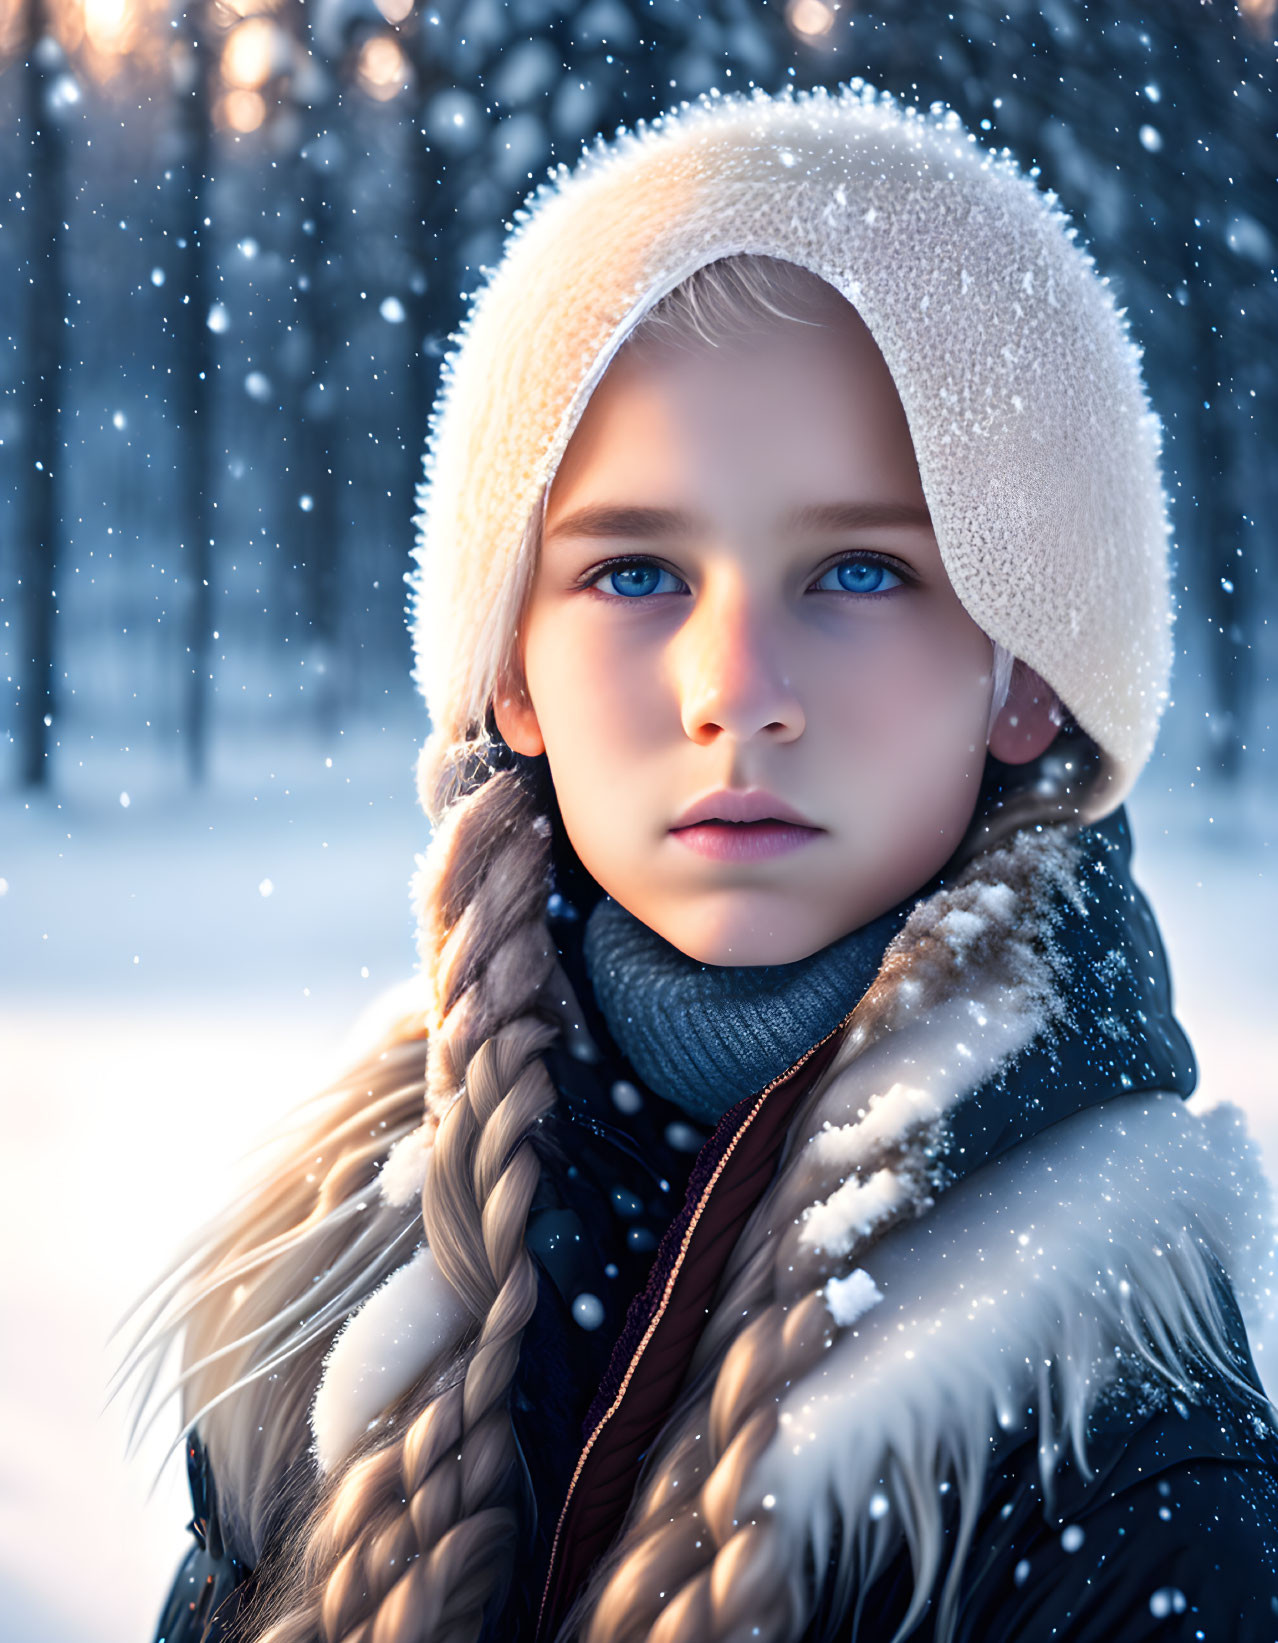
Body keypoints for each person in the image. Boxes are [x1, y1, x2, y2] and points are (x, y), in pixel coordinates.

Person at [124, 83, 1278, 1643]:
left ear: (1026, 672)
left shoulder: (1124, 1446)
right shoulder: (329, 1298)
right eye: (636, 570)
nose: (735, 685)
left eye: (860, 570)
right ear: (509, 672)